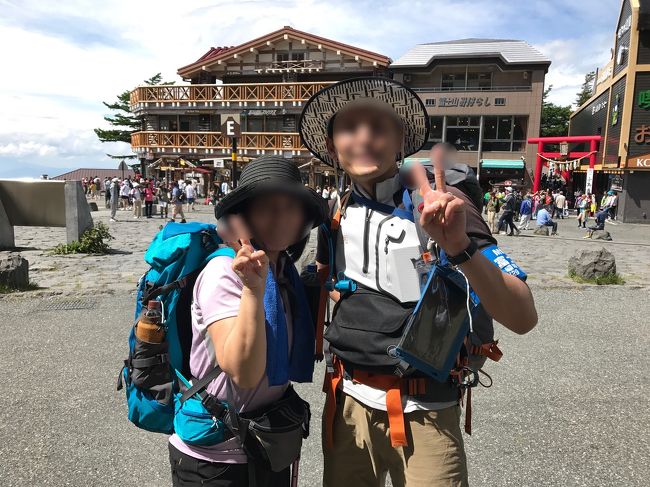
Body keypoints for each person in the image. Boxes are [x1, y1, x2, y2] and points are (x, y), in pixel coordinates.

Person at [299, 77, 537, 487]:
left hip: (427, 410)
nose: (364, 137)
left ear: (401, 140)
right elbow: (335, 284)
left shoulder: (443, 208)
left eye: (379, 126)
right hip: (346, 402)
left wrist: (458, 245)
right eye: (349, 128)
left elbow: (522, 316)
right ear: (334, 145)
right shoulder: (335, 214)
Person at [168, 156, 328, 486]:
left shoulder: (283, 272)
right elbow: (245, 371)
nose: (281, 216)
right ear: (243, 217)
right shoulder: (224, 273)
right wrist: (253, 291)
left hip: (266, 442)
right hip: (216, 459)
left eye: (291, 207)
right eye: (267, 205)